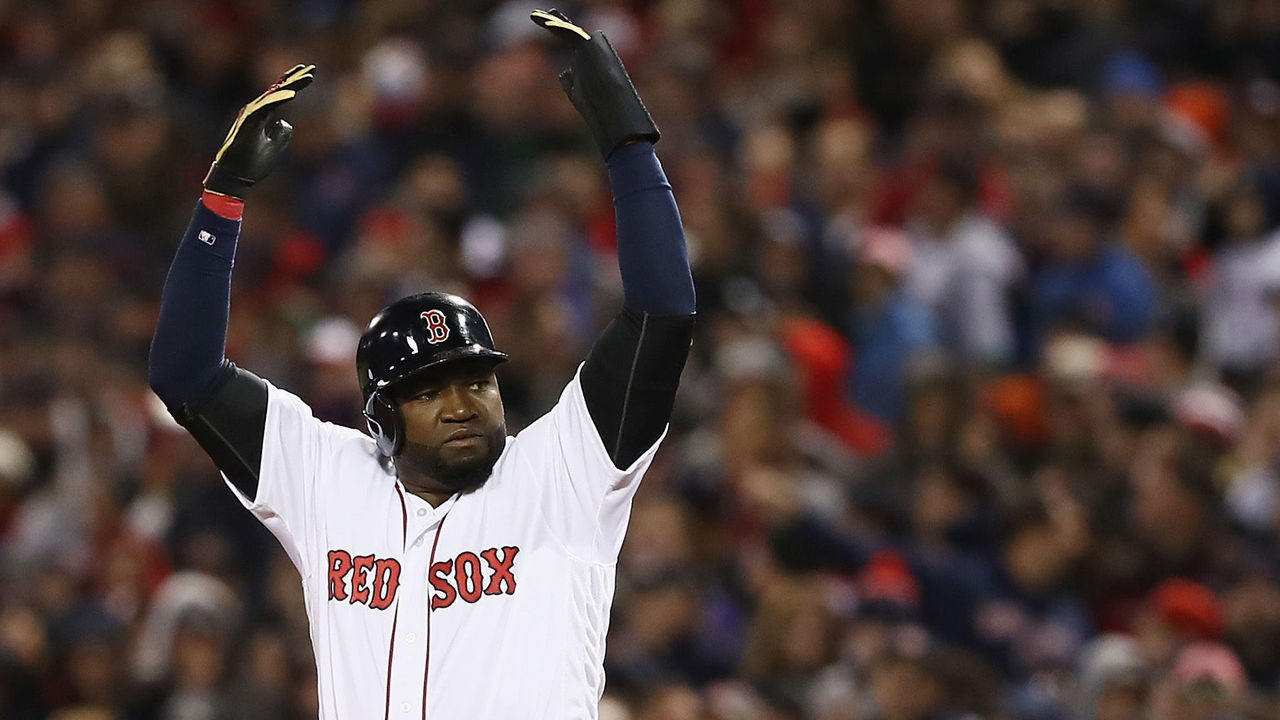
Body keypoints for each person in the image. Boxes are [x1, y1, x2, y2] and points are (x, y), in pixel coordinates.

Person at [146, 10, 695, 719]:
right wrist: (219, 203)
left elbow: (663, 315)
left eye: (475, 379)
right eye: (429, 390)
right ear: (380, 416)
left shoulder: (565, 472)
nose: (462, 402)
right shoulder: (325, 481)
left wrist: (627, 143)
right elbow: (184, 372)